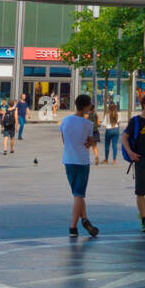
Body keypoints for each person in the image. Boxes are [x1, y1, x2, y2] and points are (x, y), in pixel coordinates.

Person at [60, 93, 99, 237]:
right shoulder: (88, 124)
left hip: (68, 160)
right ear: (86, 106)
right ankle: (73, 227)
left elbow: (64, 140)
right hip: (82, 161)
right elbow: (89, 143)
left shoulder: (65, 120)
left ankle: (85, 219)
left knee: (77, 194)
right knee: (79, 194)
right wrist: (88, 143)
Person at [122, 93, 145, 232]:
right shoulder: (135, 121)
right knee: (140, 191)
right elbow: (124, 138)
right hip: (140, 160)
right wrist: (130, 152)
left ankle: (143, 212)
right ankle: (144, 219)